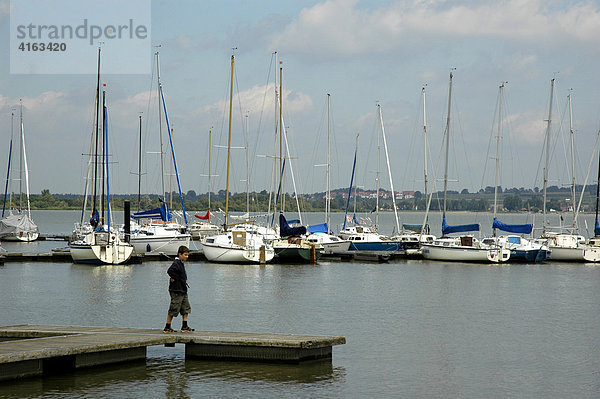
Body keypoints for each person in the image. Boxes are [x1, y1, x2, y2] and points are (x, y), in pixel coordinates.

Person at [164, 245, 194, 333]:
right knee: (174, 308)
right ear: (180, 254)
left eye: (187, 255)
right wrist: (175, 278)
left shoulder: (181, 263)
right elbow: (170, 271)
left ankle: (184, 326)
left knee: (186, 308)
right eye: (185, 255)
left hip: (183, 290)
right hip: (176, 290)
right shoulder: (176, 263)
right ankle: (167, 327)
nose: (187, 257)